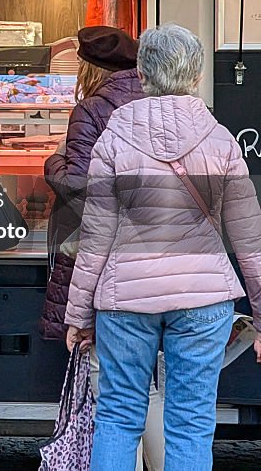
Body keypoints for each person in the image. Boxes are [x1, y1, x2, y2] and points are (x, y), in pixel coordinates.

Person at [65, 24, 261, 471]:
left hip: (125, 297)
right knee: (191, 422)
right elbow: (250, 242)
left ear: (142, 73)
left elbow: (95, 234)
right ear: (195, 77)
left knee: (117, 416)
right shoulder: (221, 143)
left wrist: (77, 314)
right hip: (203, 295)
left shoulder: (114, 138)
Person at [40, 26, 162, 470]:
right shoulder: (162, 104)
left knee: (113, 390)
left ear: (89, 68)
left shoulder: (92, 108)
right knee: (150, 387)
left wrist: (53, 159)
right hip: (167, 262)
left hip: (106, 261)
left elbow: (79, 186)